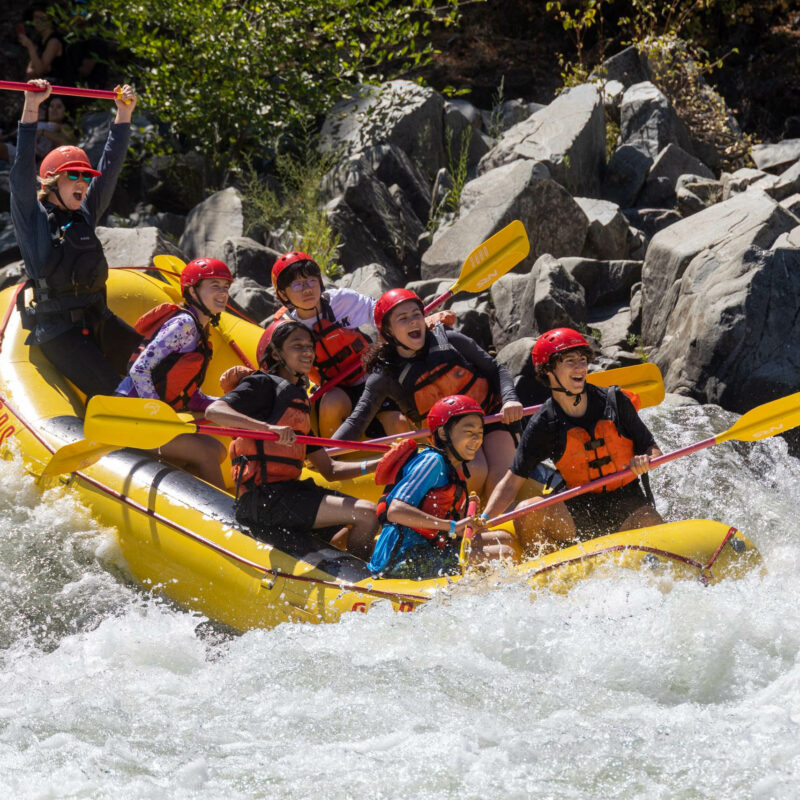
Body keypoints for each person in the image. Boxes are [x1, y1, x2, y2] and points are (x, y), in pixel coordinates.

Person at [10, 79, 142, 399]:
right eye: (74, 175)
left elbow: (109, 168)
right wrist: (31, 107)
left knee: (156, 364)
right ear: (53, 182)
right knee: (120, 393)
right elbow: (19, 178)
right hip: (58, 333)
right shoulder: (34, 220)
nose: (82, 181)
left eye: (85, 176)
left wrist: (123, 116)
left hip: (97, 319)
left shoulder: (84, 213)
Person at [205, 318, 381, 557]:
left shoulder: (298, 402)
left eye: (309, 346)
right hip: (265, 500)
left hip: (291, 493)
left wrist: (378, 464)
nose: (307, 352)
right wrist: (267, 429)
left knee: (360, 524)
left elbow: (329, 469)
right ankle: (364, 583)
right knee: (367, 513)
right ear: (277, 355)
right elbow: (214, 412)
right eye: (297, 346)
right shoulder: (262, 384)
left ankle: (353, 574)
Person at [481, 328, 663, 555]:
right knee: (527, 511)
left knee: (649, 521)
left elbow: (653, 449)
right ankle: (551, 575)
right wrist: (483, 520)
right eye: (570, 361)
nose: (580, 367)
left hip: (626, 502)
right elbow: (511, 483)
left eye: (583, 360)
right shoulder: (544, 423)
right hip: (580, 508)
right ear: (548, 370)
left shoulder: (615, 402)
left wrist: (646, 460)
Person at [333, 288, 524, 500]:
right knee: (477, 470)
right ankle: (463, 517)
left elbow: (496, 369)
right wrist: (324, 453)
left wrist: (510, 400)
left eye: (416, 314)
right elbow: (356, 422)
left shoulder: (451, 341)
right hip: (447, 435)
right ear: (387, 330)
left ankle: (495, 521)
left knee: (500, 475)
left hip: (489, 415)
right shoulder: (386, 375)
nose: (413, 321)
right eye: (403, 318)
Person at [368, 394, 518, 579]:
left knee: (504, 538)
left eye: (480, 433)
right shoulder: (432, 461)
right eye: (469, 432)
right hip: (401, 559)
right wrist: (452, 526)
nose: (477, 440)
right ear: (443, 433)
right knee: (504, 553)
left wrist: (464, 515)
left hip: (429, 547)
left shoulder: (452, 467)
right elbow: (395, 511)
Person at [115, 258, 234, 489]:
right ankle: (228, 515)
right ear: (193, 290)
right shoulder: (184, 325)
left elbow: (190, 394)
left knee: (217, 449)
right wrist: (156, 413)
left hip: (150, 415)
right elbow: (140, 369)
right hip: (133, 415)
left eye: (225, 287)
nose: (222, 293)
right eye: (215, 286)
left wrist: (228, 403)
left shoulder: (201, 329)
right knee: (206, 454)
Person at [270, 251, 408, 438]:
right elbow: (277, 373)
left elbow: (383, 315)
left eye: (311, 280)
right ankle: (333, 459)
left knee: (398, 423)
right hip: (332, 388)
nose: (307, 289)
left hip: (370, 379)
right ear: (283, 294)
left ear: (319, 281)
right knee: (331, 402)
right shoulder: (286, 329)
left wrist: (414, 320)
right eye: (297, 285)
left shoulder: (342, 301)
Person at [18, 5, 67, 81]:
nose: (37, 21)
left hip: (56, 87)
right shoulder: (39, 40)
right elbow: (30, 71)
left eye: (41, 18)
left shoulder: (54, 41)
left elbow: (40, 71)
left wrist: (30, 46)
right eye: (35, 17)